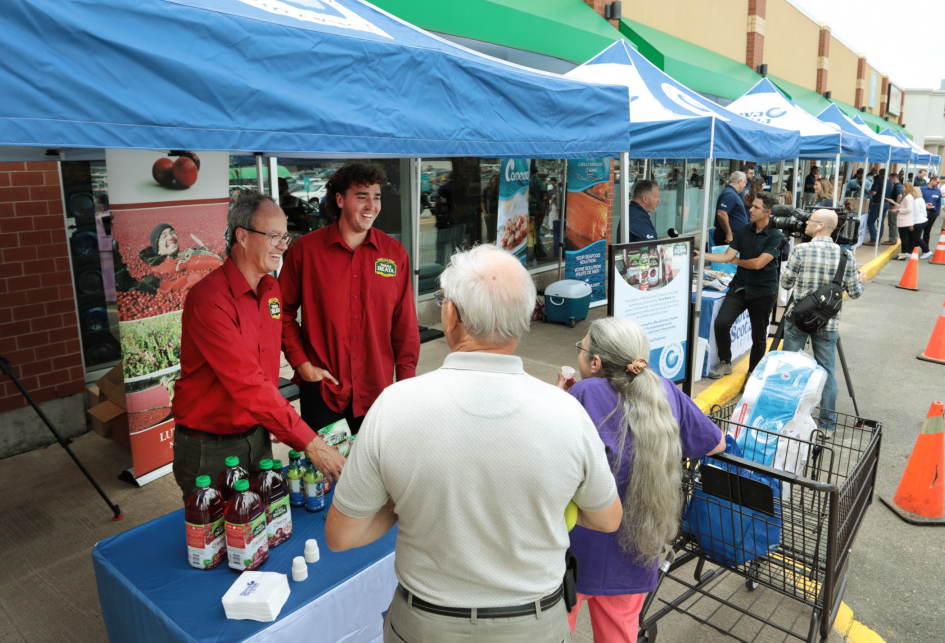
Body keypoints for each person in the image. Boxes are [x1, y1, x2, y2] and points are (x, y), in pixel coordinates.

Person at [326, 245, 622, 642]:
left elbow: (342, 535)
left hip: (425, 625)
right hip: (534, 626)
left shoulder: (394, 406)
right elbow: (607, 518)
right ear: (523, 321)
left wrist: (404, 504)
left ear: (450, 317)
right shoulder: (567, 414)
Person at [555, 317, 725, 642]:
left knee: (557, 632)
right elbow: (714, 441)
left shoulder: (585, 393)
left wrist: (562, 398)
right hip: (636, 550)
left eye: (582, 348)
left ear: (595, 362)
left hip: (577, 551)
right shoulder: (665, 390)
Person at [171, 193, 344, 499]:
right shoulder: (210, 300)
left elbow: (277, 341)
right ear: (243, 237)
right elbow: (247, 382)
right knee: (216, 539)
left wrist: (302, 364)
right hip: (210, 446)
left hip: (257, 436)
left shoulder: (271, 288)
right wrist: (310, 443)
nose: (283, 244)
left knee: (259, 531)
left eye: (285, 236)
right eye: (274, 236)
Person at [280, 162, 420, 439]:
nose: (371, 205)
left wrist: (405, 388)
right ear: (340, 199)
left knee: (374, 477)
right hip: (323, 393)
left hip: (378, 394)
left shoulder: (394, 254)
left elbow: (404, 327)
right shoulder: (305, 251)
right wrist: (302, 364)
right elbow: (279, 311)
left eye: (376, 197)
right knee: (325, 478)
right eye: (362, 196)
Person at [780, 209, 866, 431]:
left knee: (789, 367)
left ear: (819, 226)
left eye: (810, 221)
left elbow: (786, 283)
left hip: (798, 320)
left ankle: (784, 417)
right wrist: (859, 279)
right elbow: (856, 292)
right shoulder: (846, 256)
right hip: (828, 324)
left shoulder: (801, 250)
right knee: (827, 371)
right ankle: (827, 425)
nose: (805, 223)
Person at [703, 192, 783, 379]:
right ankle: (725, 362)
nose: (751, 209)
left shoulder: (776, 235)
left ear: (768, 212)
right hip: (740, 287)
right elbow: (726, 256)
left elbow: (757, 264)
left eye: (756, 207)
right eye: (751, 206)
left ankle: (752, 374)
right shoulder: (745, 230)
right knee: (722, 323)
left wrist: (737, 262)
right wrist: (702, 256)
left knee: (759, 338)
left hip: (763, 291)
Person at [713, 171, 749, 245]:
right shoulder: (730, 194)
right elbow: (721, 213)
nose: (745, 185)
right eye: (745, 182)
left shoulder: (732, 193)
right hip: (728, 236)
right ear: (739, 181)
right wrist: (729, 233)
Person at [918, 176, 942, 257]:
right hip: (922, 212)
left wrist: (937, 212)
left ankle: (925, 250)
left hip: (932, 213)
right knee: (918, 231)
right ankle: (914, 247)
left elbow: (939, 202)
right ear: (932, 180)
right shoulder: (922, 189)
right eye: (937, 182)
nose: (937, 184)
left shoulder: (938, 191)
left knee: (927, 232)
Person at [895, 182, 917, 260]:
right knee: (903, 237)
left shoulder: (908, 197)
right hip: (904, 220)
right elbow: (904, 206)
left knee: (903, 238)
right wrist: (895, 204)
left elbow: (908, 209)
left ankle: (903, 254)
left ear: (907, 188)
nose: (901, 188)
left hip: (905, 220)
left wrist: (898, 210)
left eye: (903, 187)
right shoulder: (907, 196)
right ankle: (903, 252)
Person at [481, 172, 499, 243]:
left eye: (496, 179)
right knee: (490, 232)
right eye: (493, 179)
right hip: (489, 214)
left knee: (496, 232)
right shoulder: (486, 190)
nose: (494, 181)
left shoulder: (499, 190)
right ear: (491, 180)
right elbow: (482, 202)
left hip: (497, 214)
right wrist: (484, 212)